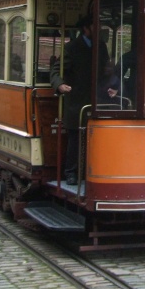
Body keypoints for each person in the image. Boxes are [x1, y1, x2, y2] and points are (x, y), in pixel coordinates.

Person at [49, 16, 108, 185]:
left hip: (97, 100)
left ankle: (93, 170)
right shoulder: (71, 48)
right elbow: (56, 71)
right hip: (76, 101)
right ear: (86, 29)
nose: (99, 29)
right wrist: (60, 85)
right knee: (75, 139)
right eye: (95, 26)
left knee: (96, 137)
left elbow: (106, 71)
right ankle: (71, 172)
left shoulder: (101, 46)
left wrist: (112, 85)